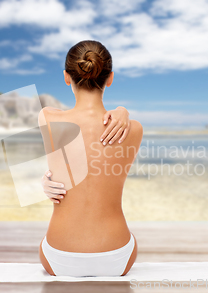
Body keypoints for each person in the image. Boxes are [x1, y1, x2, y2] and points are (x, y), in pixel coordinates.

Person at [37, 40, 143, 277]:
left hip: (58, 255)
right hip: (116, 255)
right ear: (110, 77)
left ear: (67, 77)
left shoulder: (48, 118)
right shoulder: (133, 129)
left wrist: (46, 179)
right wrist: (123, 109)